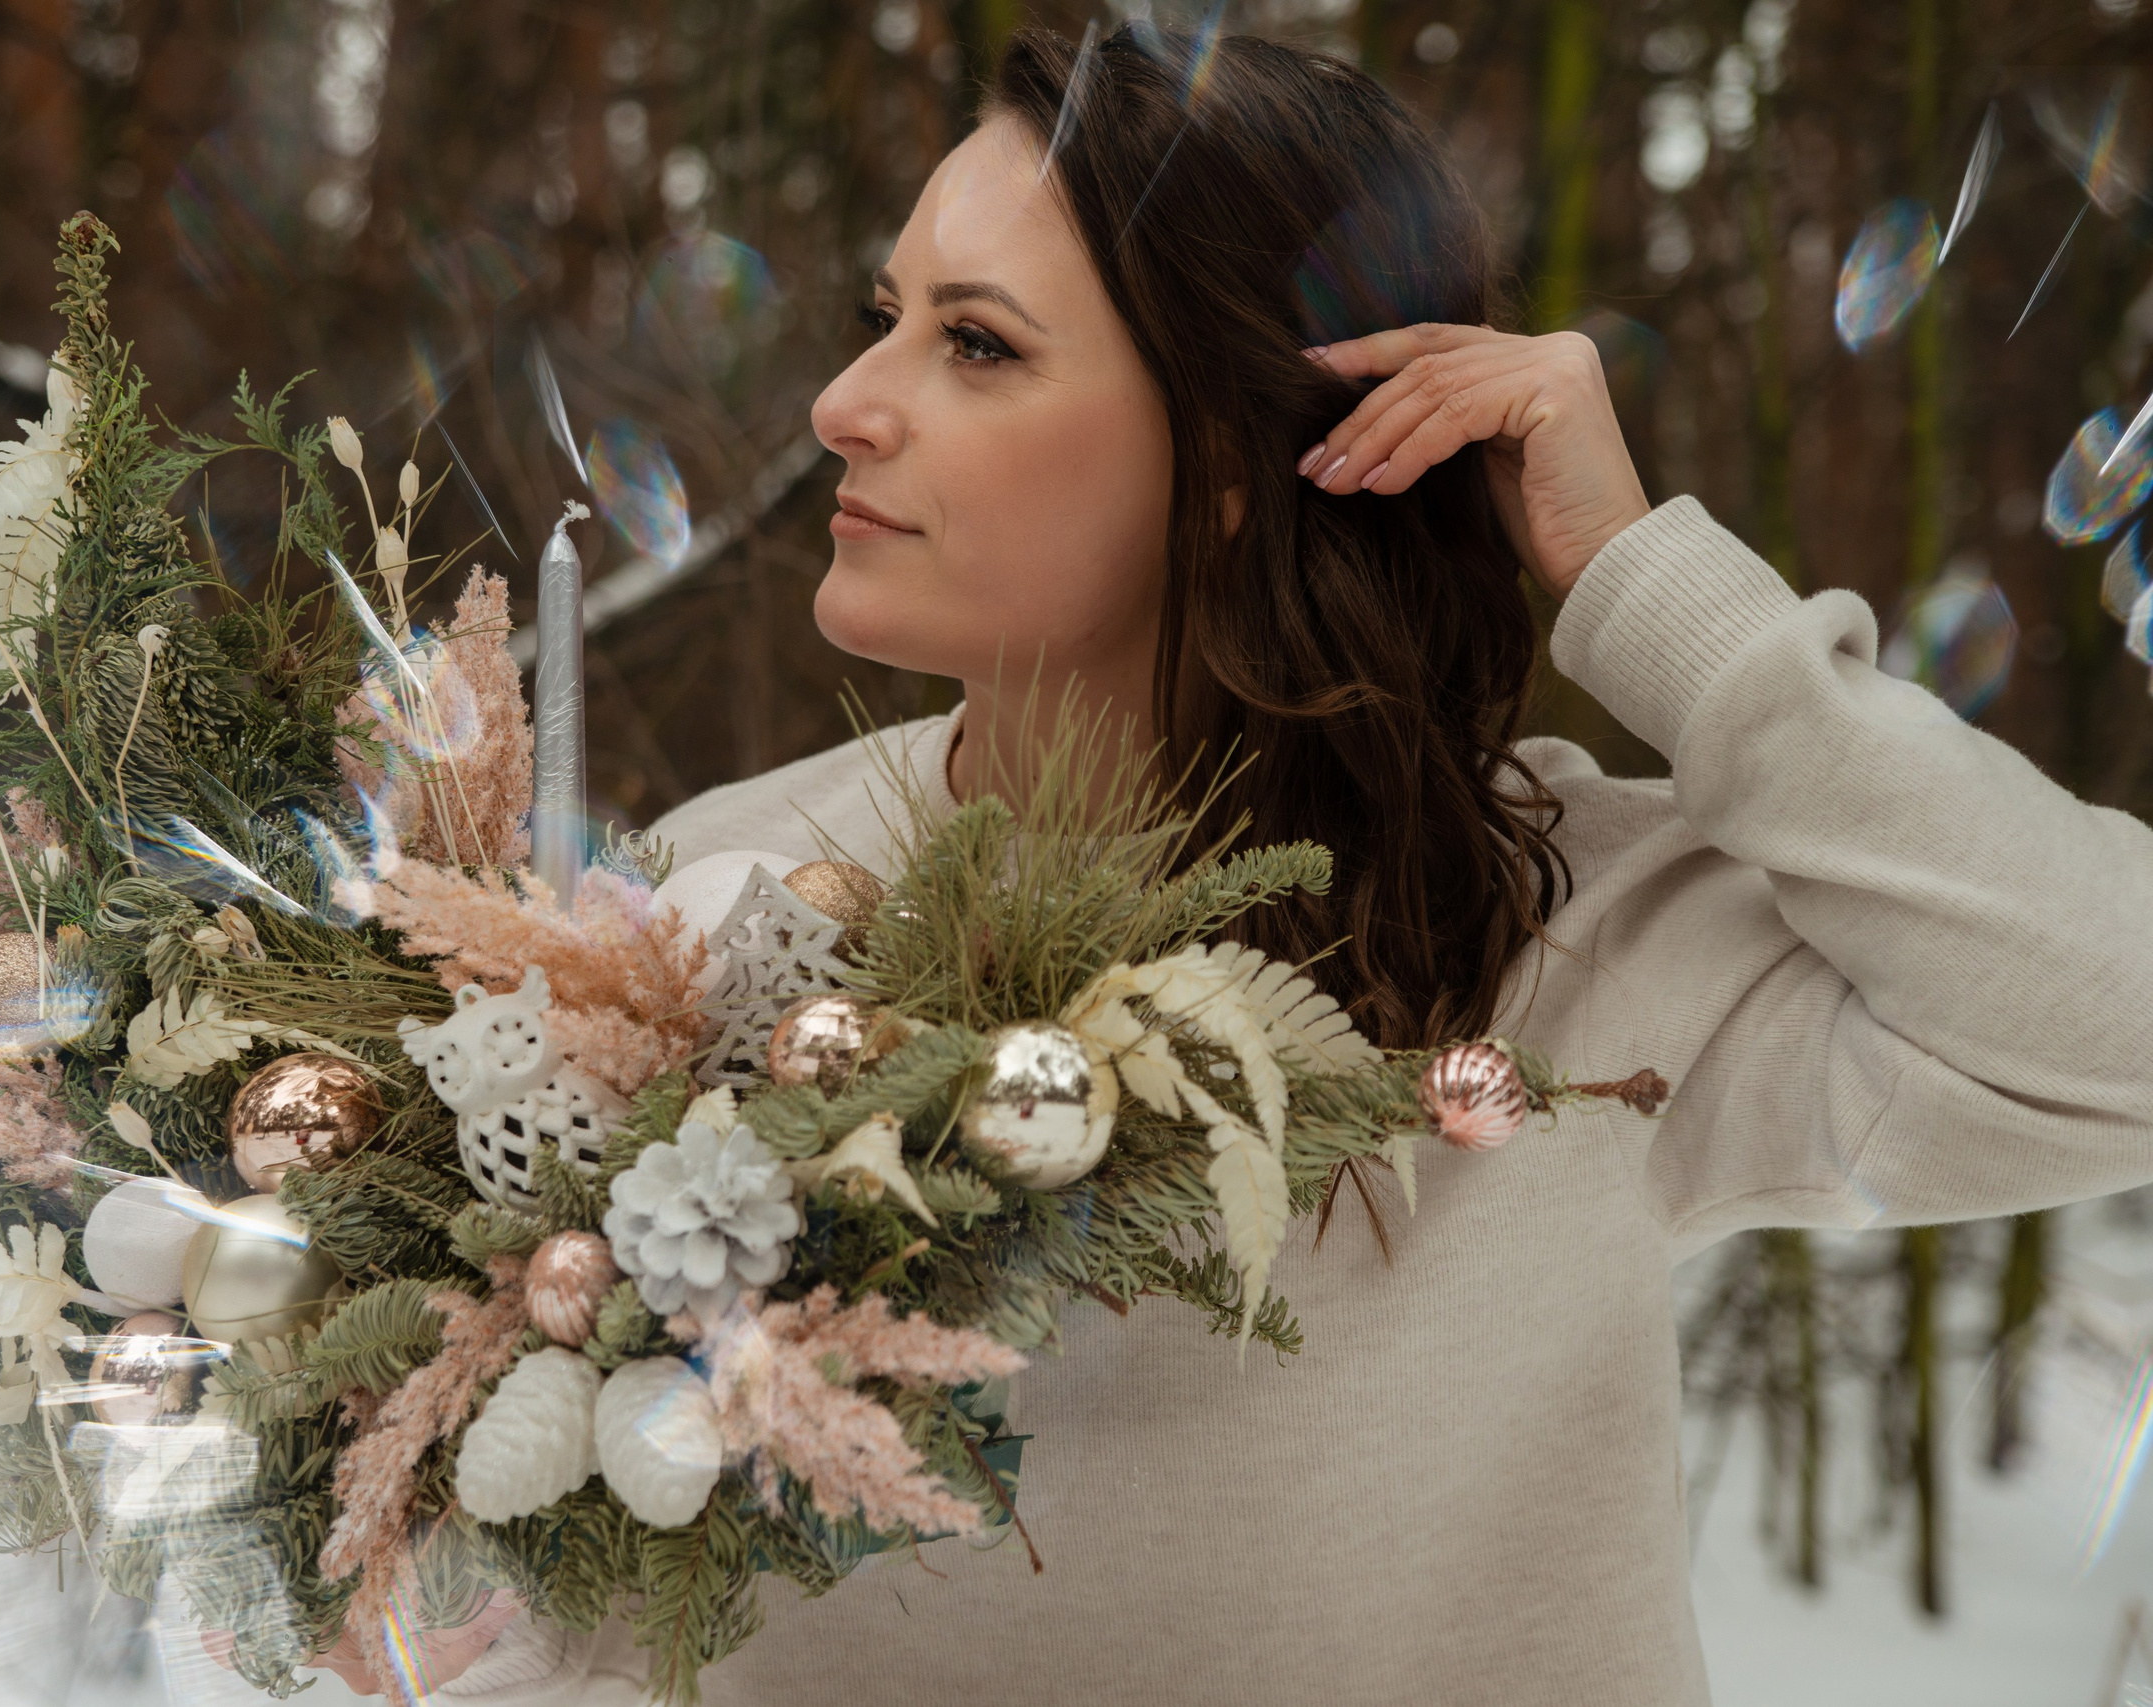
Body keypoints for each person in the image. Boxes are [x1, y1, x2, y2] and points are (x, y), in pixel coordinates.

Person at [458, 27, 2153, 1705]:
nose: (844, 405)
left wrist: (1640, 581)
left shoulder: (1576, 939)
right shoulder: (715, 895)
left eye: (975, 344)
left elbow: (2116, 1022)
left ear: (1225, 463)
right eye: (878, 317)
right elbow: (574, 1591)